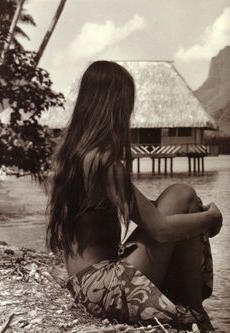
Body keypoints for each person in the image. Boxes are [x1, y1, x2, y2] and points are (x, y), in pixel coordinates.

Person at [47, 61, 222, 332]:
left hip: (85, 285)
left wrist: (194, 216)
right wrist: (210, 216)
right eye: (126, 105)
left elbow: (146, 213)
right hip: (105, 288)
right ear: (114, 107)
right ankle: (197, 312)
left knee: (182, 202)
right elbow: (160, 229)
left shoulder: (76, 156)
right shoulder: (104, 163)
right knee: (184, 194)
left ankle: (193, 311)